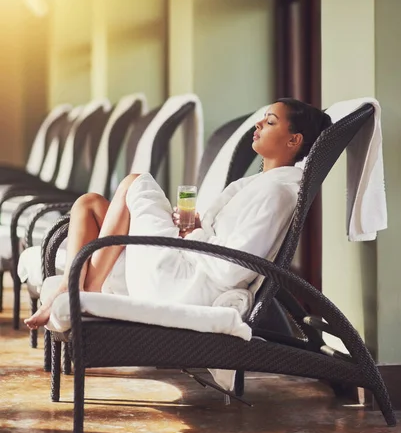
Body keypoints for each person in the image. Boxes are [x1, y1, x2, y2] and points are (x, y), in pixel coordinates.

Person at [24, 98, 332, 329]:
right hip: (184, 264)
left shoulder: (276, 193)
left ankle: (84, 292)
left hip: (184, 286)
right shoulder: (256, 185)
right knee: (88, 204)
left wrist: (193, 234)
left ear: (294, 140)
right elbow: (224, 241)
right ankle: (75, 286)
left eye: (271, 122)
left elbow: (233, 270)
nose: (259, 125)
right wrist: (198, 227)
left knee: (136, 182)